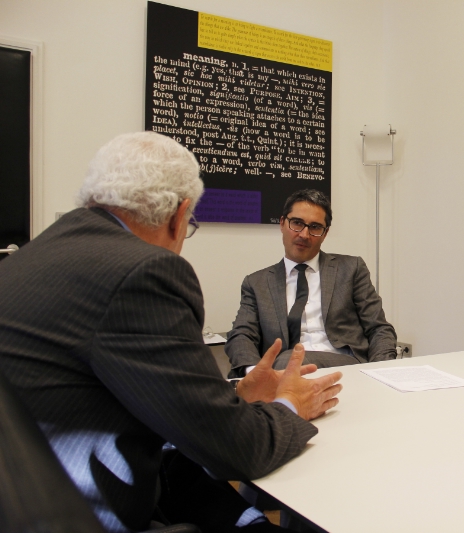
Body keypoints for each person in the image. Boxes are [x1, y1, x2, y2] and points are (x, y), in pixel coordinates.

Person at [0, 132, 343, 532]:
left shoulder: (29, 257)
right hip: (99, 512)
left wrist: (234, 398)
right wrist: (291, 403)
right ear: (179, 215)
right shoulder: (144, 271)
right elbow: (240, 451)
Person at [226, 189, 397, 377]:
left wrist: (380, 372)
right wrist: (255, 374)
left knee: (289, 360)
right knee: (281, 364)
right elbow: (242, 334)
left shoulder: (350, 269)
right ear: (282, 223)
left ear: (325, 233)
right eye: (297, 223)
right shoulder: (256, 283)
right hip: (282, 372)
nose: (304, 234)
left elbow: (379, 328)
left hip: (344, 365)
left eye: (315, 227)